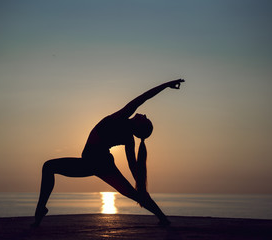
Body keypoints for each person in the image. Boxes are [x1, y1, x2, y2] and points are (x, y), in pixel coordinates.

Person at [31, 79, 185, 227]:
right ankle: (163, 218)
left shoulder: (122, 118)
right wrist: (139, 187)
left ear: (139, 127)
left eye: (145, 119)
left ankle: (40, 209)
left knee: (48, 167)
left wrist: (166, 85)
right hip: (98, 164)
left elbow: (144, 97)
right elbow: (132, 167)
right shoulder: (128, 138)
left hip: (94, 163)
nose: (144, 115)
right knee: (134, 194)